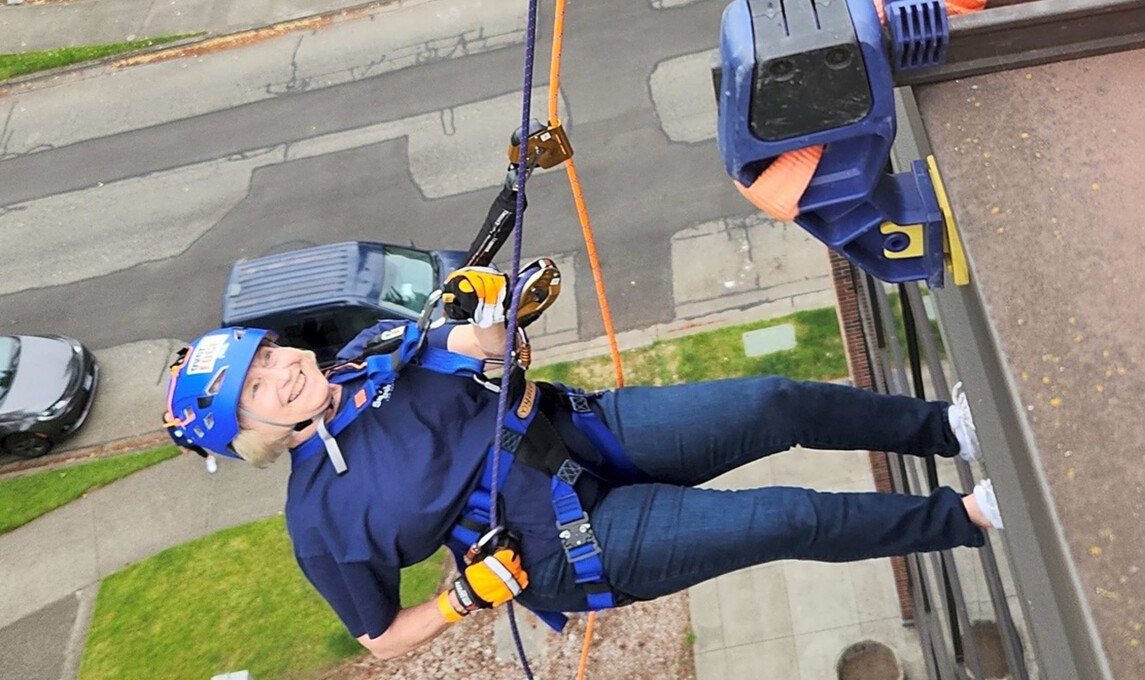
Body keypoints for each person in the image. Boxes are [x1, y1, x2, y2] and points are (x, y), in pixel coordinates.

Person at [162, 265, 1003, 660]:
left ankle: (947, 428)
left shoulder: (369, 352)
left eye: (269, 355)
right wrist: (462, 599)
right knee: (787, 517)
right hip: (567, 542)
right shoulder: (319, 522)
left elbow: (492, 349)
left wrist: (491, 307)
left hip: (591, 431)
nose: (283, 371)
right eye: (258, 388)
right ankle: (968, 516)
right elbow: (380, 639)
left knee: (773, 404)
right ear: (248, 434)